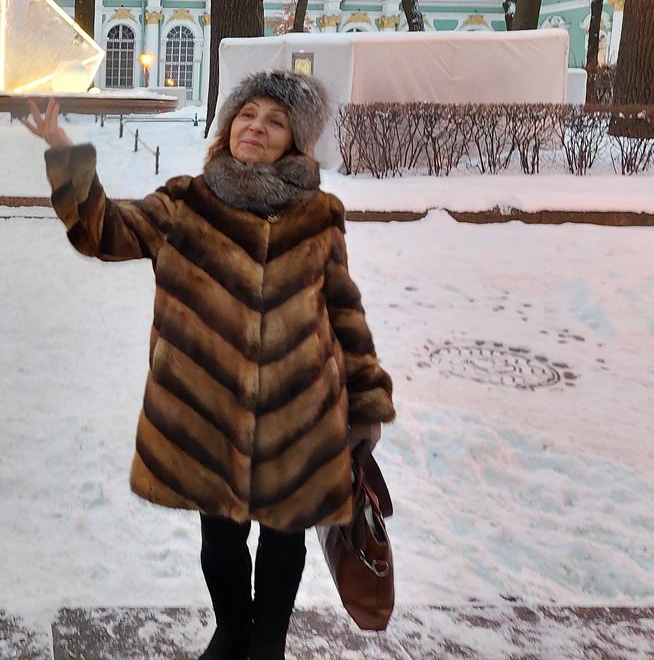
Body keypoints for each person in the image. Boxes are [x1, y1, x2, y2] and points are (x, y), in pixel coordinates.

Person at [24, 71, 395, 660]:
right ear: (229, 127)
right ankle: (232, 632)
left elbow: (344, 308)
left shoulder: (320, 214)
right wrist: (63, 152)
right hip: (209, 407)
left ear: (294, 143)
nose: (257, 127)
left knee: (284, 539)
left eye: (275, 122)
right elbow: (104, 233)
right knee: (220, 538)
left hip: (299, 412)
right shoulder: (186, 203)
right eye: (248, 114)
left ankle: (267, 642)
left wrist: (368, 402)